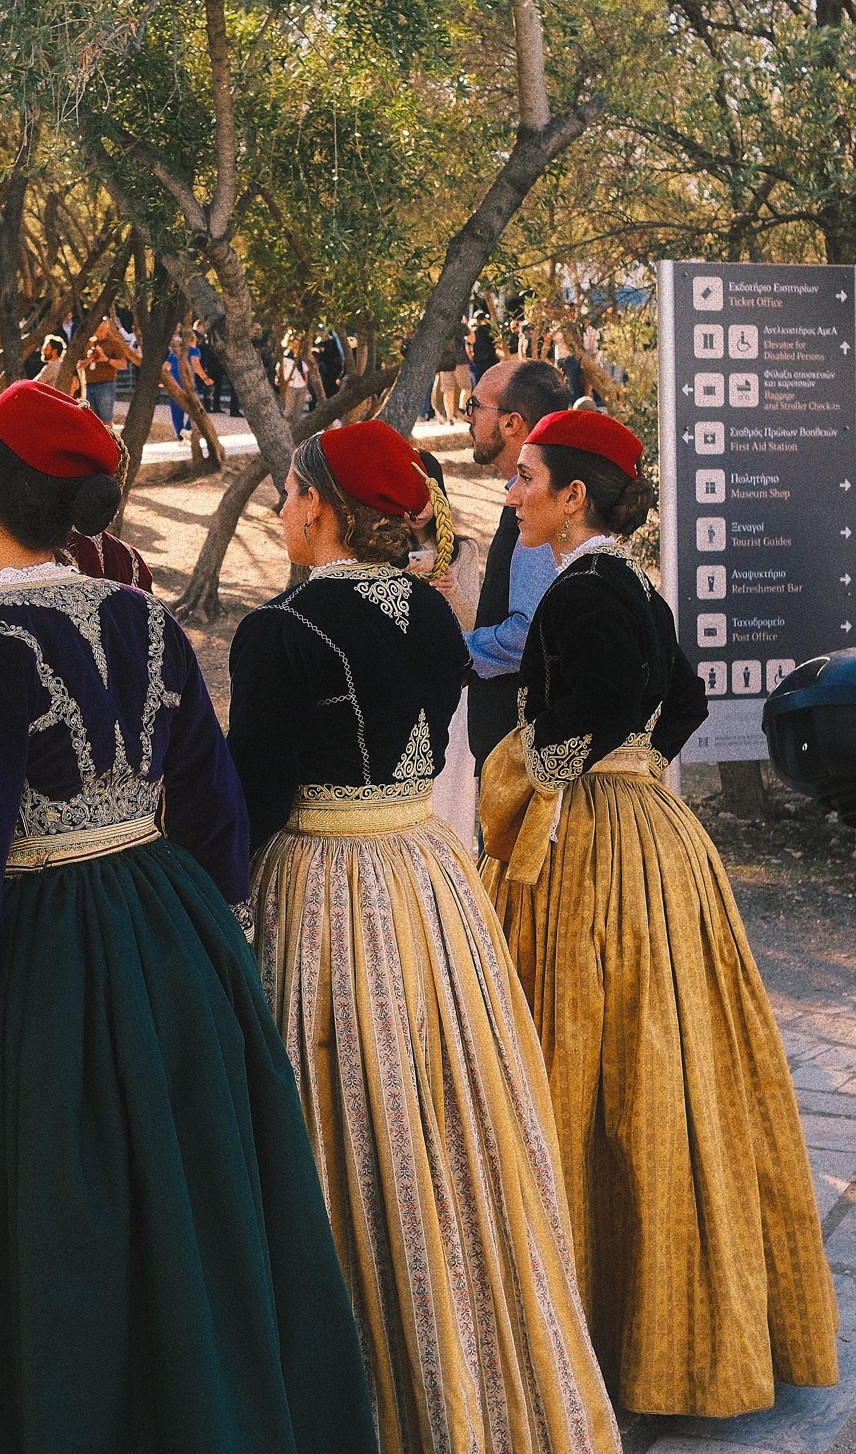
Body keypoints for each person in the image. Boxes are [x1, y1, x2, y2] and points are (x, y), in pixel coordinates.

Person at [0, 379, 374, 1454]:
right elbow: (214, 806)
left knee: (51, 1210)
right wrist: (216, 954)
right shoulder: (144, 614)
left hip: (43, 953)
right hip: (166, 928)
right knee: (177, 1195)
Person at [225, 419, 618, 1454]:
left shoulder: (282, 630)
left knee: (343, 1109)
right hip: (428, 882)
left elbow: (250, 794)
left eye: (288, 492)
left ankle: (359, 1367)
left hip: (329, 888)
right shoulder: (431, 611)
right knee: (444, 1104)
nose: (280, 509)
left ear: (319, 506)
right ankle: (466, 1342)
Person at [479, 409, 838, 1417]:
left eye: (526, 477)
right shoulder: (633, 582)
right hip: (656, 835)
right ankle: (672, 1315)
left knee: (585, 1054)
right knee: (663, 1058)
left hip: (594, 843)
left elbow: (590, 708)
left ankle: (600, 1318)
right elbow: (683, 701)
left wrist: (541, 770)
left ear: (573, 497)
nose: (512, 493)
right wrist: (636, 762)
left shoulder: (579, 590)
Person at [464, 358, 574, 783]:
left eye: (474, 405)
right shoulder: (533, 501)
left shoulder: (542, 511)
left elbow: (529, 635)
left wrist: (453, 650)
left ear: (511, 423)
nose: (468, 417)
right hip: (514, 754)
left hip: (523, 760)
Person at [406, 451, 481, 842]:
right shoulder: (387, 550)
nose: (417, 510)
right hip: (405, 678)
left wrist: (451, 589)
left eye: (425, 497)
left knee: (451, 778)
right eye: (408, 497)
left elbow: (475, 624)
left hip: (453, 678)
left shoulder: (463, 550)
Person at [78, 316, 138, 422]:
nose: (99, 333)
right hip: (89, 384)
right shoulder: (88, 344)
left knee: (106, 419)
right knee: (91, 419)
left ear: (107, 330)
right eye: (97, 330)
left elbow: (123, 364)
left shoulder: (113, 343)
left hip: (105, 385)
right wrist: (90, 359)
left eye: (102, 330)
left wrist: (106, 359)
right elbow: (79, 365)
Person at [274, 334, 311, 425]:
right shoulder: (287, 357)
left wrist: (305, 384)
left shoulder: (303, 358)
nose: (296, 346)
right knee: (289, 410)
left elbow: (305, 372)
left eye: (298, 344)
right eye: (294, 343)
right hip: (290, 385)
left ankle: (295, 428)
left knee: (298, 411)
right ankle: (286, 426)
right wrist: (281, 379)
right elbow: (278, 368)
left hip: (301, 385)